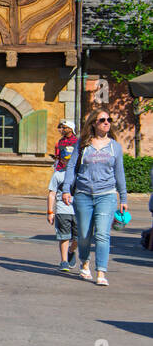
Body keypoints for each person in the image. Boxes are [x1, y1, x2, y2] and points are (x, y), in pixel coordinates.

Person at [62, 105, 128, 287]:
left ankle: (101, 272)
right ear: (93, 123)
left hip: (106, 195)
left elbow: (119, 173)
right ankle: (84, 262)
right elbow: (71, 167)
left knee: (102, 234)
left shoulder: (115, 147)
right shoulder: (83, 143)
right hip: (83, 195)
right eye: (102, 120)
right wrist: (66, 189)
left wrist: (123, 198)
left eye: (109, 120)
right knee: (84, 234)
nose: (107, 123)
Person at [46, 164, 78, 272]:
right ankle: (64, 261)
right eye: (66, 160)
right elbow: (51, 194)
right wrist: (50, 212)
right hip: (62, 209)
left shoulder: (80, 174)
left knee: (79, 238)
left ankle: (71, 251)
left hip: (79, 210)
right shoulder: (58, 175)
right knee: (64, 236)